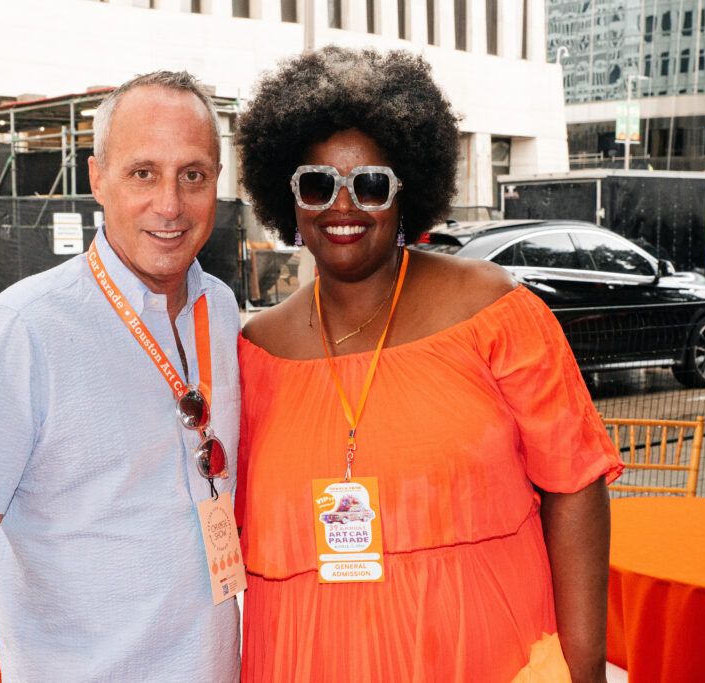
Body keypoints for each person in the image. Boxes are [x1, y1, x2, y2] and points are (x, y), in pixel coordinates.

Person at [234, 46, 623, 682]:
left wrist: (584, 672)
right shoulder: (256, 352)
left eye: (370, 184)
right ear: (289, 197)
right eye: (316, 182)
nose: (343, 206)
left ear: (406, 192)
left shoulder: (494, 311)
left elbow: (575, 486)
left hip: (486, 656)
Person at [0, 71, 242, 681]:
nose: (170, 204)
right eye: (142, 173)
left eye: (193, 175)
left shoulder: (221, 310)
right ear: (97, 178)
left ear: (216, 183)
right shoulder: (23, 330)